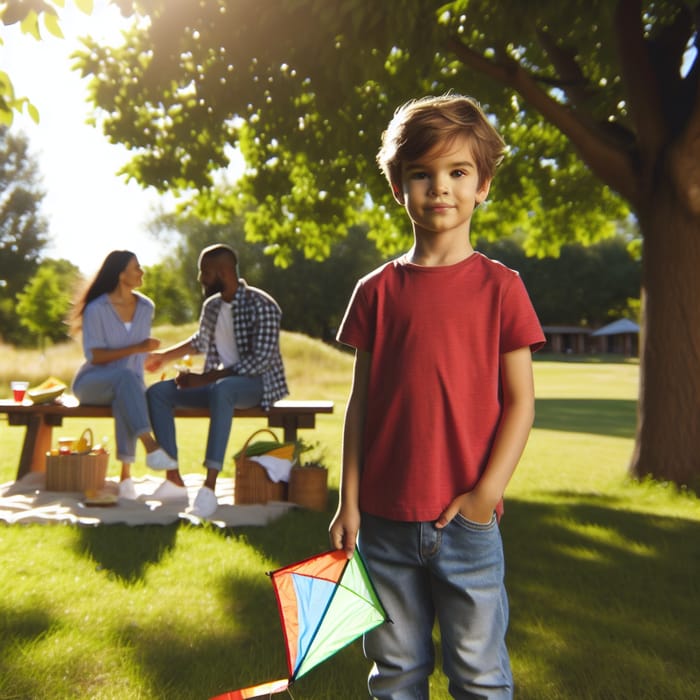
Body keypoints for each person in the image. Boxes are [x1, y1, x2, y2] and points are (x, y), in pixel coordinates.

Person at [329, 94, 546, 699]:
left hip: (467, 525)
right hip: (382, 524)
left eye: (457, 172)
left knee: (478, 675)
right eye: (421, 174)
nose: (440, 187)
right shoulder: (375, 291)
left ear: (483, 186)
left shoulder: (502, 288)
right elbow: (361, 408)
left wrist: (485, 496)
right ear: (399, 188)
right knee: (395, 674)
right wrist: (350, 503)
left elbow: (522, 404)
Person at [144, 243, 288, 518]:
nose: (201, 279)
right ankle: (173, 479)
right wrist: (164, 357)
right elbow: (201, 341)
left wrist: (206, 378)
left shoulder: (262, 305)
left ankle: (208, 488)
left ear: (223, 272)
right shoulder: (211, 306)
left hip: (257, 385)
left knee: (222, 389)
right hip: (218, 383)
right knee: (158, 393)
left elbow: (262, 359)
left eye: (205, 272)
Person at [71, 250, 177, 500]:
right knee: (125, 381)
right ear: (121, 275)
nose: (142, 272)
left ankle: (126, 478)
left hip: (128, 381)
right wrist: (138, 348)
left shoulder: (145, 307)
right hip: (92, 383)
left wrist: (147, 358)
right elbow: (95, 356)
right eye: (136, 267)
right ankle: (150, 446)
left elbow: (134, 360)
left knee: (127, 389)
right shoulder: (96, 309)